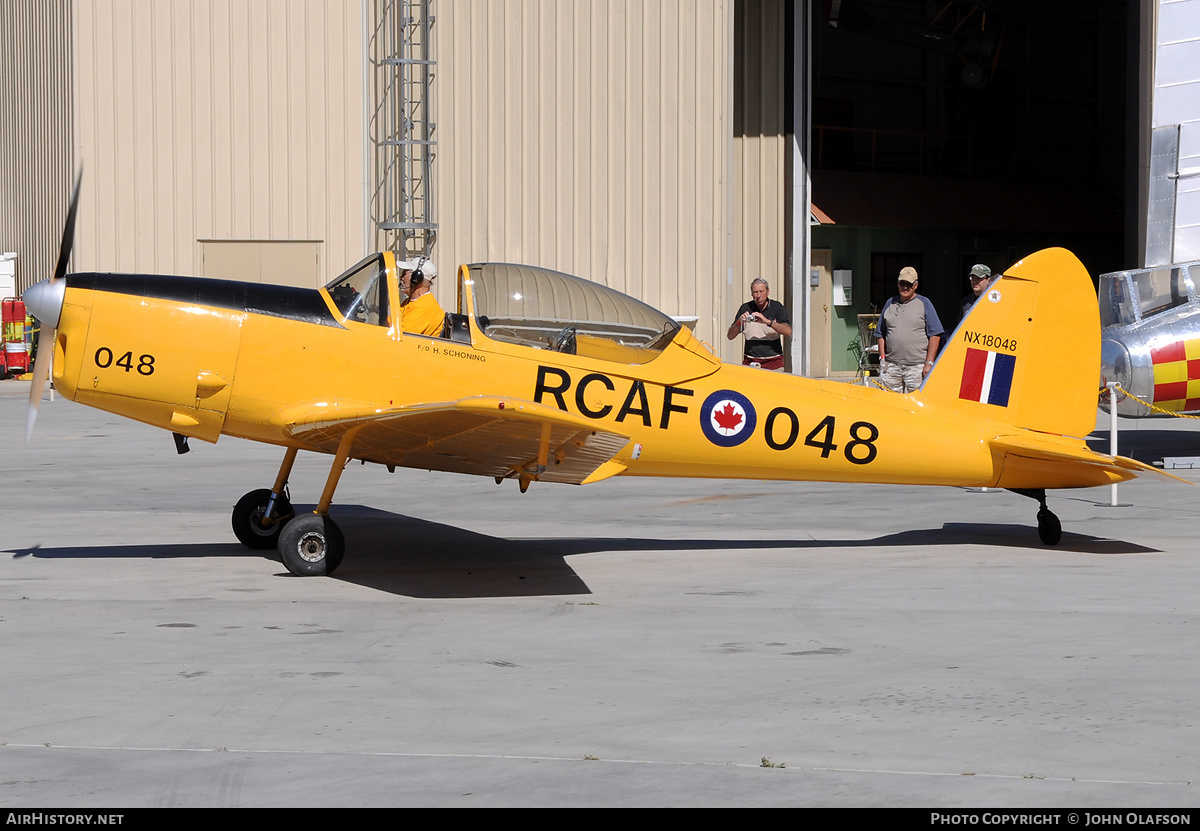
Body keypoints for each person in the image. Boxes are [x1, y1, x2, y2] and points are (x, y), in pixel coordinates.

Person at [877, 266, 944, 393]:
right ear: (898, 284)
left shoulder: (924, 303)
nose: (905, 287)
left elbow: (935, 335)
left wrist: (929, 363)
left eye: (909, 284)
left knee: (916, 405)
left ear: (916, 285)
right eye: (902, 283)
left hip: (917, 367)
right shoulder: (889, 303)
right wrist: (882, 358)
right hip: (891, 366)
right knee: (889, 404)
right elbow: (880, 334)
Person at [727, 277, 792, 370]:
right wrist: (739, 322)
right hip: (751, 363)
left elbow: (788, 332)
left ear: (768, 291)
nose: (759, 295)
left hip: (774, 364)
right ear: (752, 294)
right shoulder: (745, 308)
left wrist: (768, 322)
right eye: (755, 292)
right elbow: (730, 336)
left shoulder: (777, 307)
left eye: (761, 291)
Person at [398, 257, 444, 336]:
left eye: (404, 274)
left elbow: (398, 337)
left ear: (415, 279)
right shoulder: (410, 301)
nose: (401, 278)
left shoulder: (424, 307)